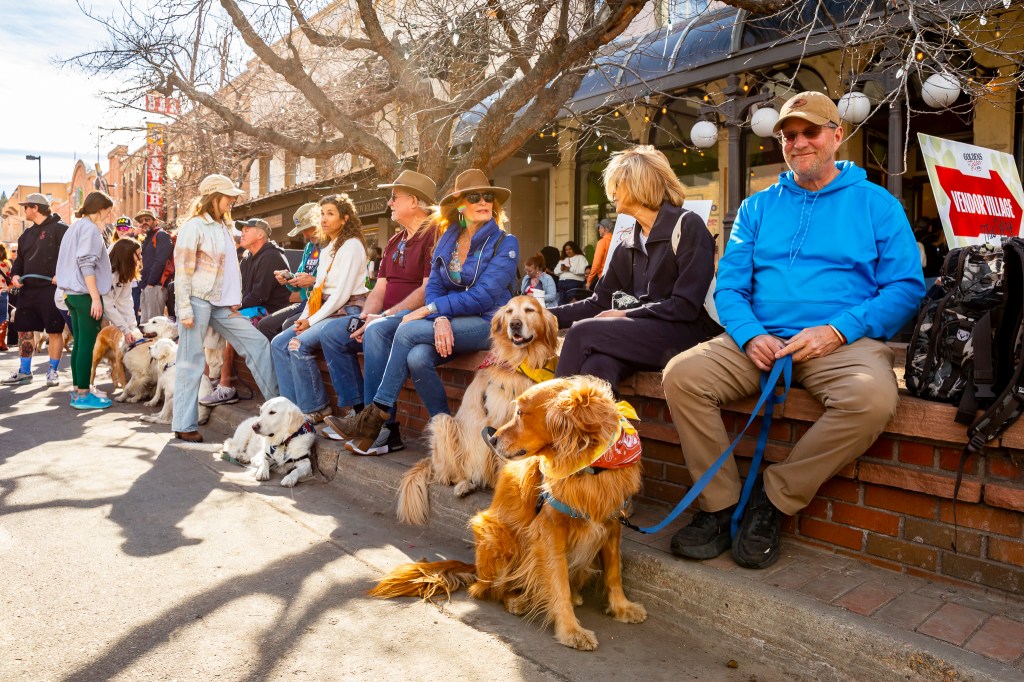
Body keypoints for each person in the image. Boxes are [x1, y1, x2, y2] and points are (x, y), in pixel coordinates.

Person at [662, 92, 926, 570]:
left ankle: (774, 498)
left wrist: (838, 330)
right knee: (682, 375)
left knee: (872, 400)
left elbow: (905, 288)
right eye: (790, 135)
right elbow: (731, 286)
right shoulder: (757, 208)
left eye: (811, 131)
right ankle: (719, 506)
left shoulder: (877, 204)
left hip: (840, 343)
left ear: (837, 135)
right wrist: (749, 334)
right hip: (760, 340)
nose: (799, 142)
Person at [327, 169, 518, 442]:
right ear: (460, 204)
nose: (483, 201)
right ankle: (447, 434)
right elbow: (436, 285)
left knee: (406, 331)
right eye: (474, 196)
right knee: (397, 343)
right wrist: (439, 317)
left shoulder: (505, 242)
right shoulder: (450, 236)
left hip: (486, 321)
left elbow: (484, 296)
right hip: (447, 318)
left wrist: (433, 310)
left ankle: (374, 417)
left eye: (488, 196)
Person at [551, 145, 721, 394]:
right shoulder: (627, 243)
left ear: (638, 183)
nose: (612, 194)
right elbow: (599, 303)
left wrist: (626, 315)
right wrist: (544, 317)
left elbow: (685, 305)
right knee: (597, 365)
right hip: (647, 335)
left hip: (688, 335)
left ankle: (545, 421)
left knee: (581, 333)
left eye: (616, 185)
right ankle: (605, 432)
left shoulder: (687, 226)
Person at [320, 169, 439, 453]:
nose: (389, 203)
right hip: (382, 317)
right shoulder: (395, 241)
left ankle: (386, 428)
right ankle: (359, 413)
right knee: (333, 334)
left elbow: (426, 289)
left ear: (414, 201)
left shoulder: (435, 234)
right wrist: (365, 315)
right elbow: (379, 288)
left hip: (415, 317)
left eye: (394, 197)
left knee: (375, 332)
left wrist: (381, 317)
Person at [171, 174, 278, 443]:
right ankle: (184, 424)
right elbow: (182, 271)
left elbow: (229, 270)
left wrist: (234, 299)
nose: (232, 200)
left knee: (258, 344)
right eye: (228, 196)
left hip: (222, 304)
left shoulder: (223, 228)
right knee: (190, 362)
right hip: (196, 299)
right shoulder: (194, 226)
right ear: (213, 197)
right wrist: (183, 308)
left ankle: (279, 410)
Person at [270, 194, 369, 423]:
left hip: (347, 310)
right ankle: (291, 408)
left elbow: (341, 295)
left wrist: (310, 322)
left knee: (297, 345)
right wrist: (304, 318)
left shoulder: (352, 245)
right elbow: (318, 292)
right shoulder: (327, 248)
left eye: (330, 213)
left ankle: (316, 408)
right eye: (322, 213)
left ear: (345, 219)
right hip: (324, 309)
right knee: (279, 343)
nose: (324, 219)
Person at [202, 217, 291, 406]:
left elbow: (260, 295)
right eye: (241, 230)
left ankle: (225, 386)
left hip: (270, 312)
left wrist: (235, 307)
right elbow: (238, 288)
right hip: (251, 308)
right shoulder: (248, 257)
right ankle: (211, 378)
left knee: (230, 324)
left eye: (247, 230)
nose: (242, 232)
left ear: (260, 234)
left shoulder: (272, 256)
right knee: (210, 319)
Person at [54, 191, 116, 409]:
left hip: (72, 294)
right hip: (84, 294)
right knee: (86, 345)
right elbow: (86, 264)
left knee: (80, 343)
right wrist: (95, 298)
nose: (109, 216)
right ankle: (83, 394)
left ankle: (77, 390)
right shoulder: (90, 229)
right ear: (99, 209)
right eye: (107, 212)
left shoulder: (75, 227)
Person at [3, 193, 70, 387]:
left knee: (55, 331)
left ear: (36, 208)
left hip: (52, 289)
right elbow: (19, 262)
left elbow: (70, 256)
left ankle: (53, 371)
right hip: (28, 290)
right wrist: (15, 276)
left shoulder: (61, 229)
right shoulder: (26, 235)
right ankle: (24, 371)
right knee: (24, 330)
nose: (24, 210)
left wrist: (62, 274)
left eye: (26, 207)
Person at [258, 202, 321, 341]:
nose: (305, 234)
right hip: (305, 302)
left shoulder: (330, 247)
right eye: (302, 230)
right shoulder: (309, 247)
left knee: (287, 325)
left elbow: (337, 280)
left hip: (321, 303)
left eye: (307, 229)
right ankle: (273, 362)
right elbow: (297, 283)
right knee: (264, 325)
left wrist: (312, 280)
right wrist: (288, 279)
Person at [138, 208, 173, 322]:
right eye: (141, 220)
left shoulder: (161, 235)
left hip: (156, 286)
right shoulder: (146, 238)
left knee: (154, 326)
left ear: (155, 221)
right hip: (145, 286)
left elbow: (161, 261)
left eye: (147, 219)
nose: (144, 222)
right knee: (145, 325)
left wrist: (151, 283)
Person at [587, 218, 613, 289]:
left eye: (600, 228)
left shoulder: (602, 242)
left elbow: (596, 264)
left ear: (604, 229)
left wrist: (589, 280)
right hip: (616, 277)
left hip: (604, 278)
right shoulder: (617, 242)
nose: (599, 230)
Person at [0, 243, 12, 351]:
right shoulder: (6, 264)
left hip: (3, 292)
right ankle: (1, 343)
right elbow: (11, 280)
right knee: (3, 318)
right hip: (3, 292)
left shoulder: (6, 264)